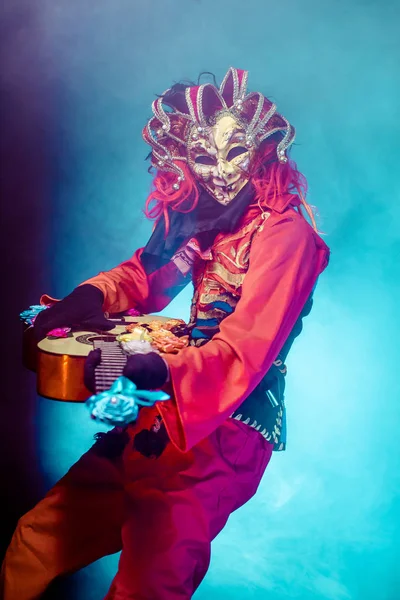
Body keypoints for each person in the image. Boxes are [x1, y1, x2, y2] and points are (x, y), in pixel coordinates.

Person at [1, 67, 330, 599]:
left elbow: (244, 349)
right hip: (158, 413)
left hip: (224, 430)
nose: (221, 170)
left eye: (236, 152)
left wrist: (138, 367)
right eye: (203, 157)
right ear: (182, 159)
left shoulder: (288, 235)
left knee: (148, 587)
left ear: (263, 151)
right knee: (37, 537)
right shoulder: (202, 215)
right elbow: (146, 276)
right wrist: (79, 302)